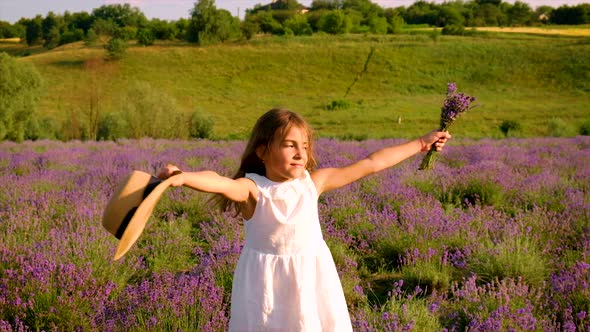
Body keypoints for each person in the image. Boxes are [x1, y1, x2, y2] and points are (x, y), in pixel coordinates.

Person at [157, 108, 451, 331]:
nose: (301, 153)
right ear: (263, 150)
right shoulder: (253, 189)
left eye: (305, 145)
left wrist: (420, 144)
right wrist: (183, 178)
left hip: (311, 279)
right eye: (289, 145)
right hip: (266, 284)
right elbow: (219, 181)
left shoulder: (314, 182)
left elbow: (372, 163)